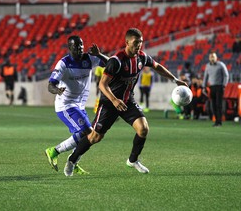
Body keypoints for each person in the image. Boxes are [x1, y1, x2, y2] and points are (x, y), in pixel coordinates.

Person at [63, 28, 188, 176]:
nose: (139, 46)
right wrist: (114, 100)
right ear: (127, 42)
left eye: (141, 42)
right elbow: (102, 85)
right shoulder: (116, 61)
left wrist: (175, 80)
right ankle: (72, 159)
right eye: (136, 43)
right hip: (109, 102)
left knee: (143, 129)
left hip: (127, 101)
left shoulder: (141, 57)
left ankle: (133, 160)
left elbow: (157, 66)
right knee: (95, 137)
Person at [44, 35, 108, 174]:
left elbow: (111, 64)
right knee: (89, 133)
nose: (80, 49)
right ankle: (55, 152)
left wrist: (99, 55)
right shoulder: (64, 64)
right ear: (69, 48)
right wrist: (57, 90)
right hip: (66, 105)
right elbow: (50, 85)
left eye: (81, 46)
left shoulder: (89, 59)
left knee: (87, 137)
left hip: (79, 105)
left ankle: (73, 160)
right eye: (76, 46)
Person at [202, 51, 229, 127]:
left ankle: (219, 122)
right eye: (211, 57)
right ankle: (216, 121)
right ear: (209, 58)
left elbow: (226, 75)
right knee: (213, 105)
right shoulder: (207, 66)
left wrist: (224, 85)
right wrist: (203, 86)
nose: (212, 58)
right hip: (212, 87)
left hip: (219, 87)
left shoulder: (221, 65)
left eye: (213, 56)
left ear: (216, 57)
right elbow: (205, 77)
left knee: (218, 104)